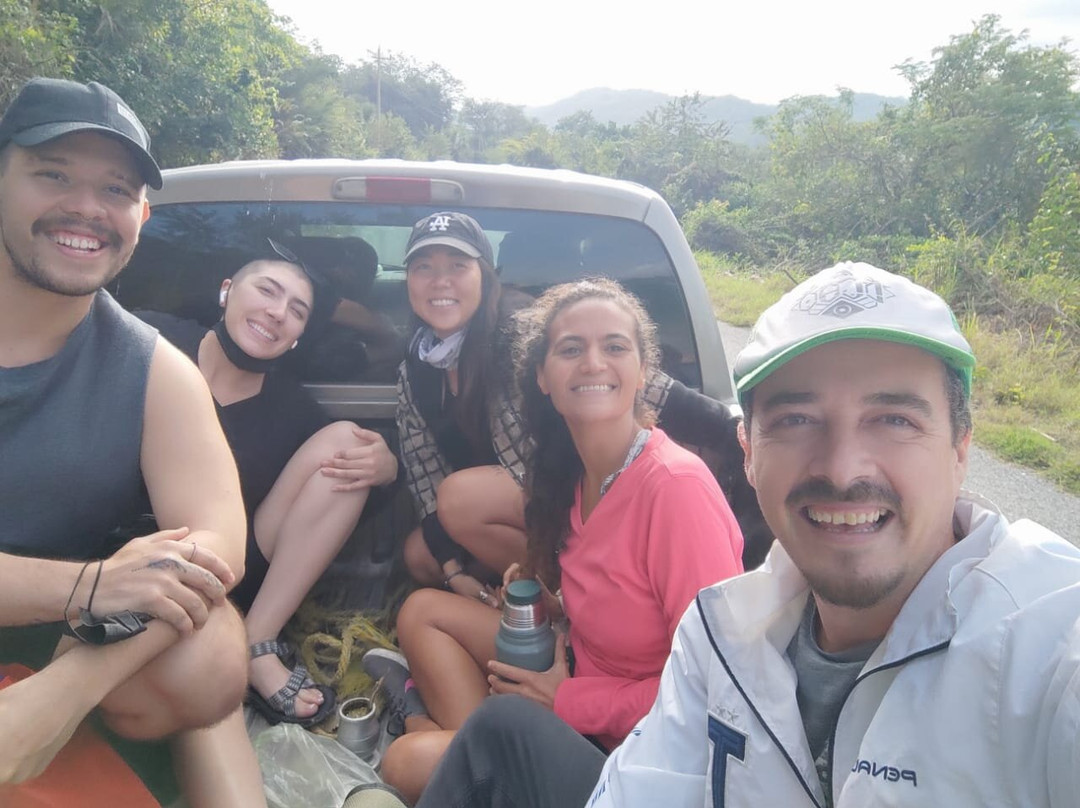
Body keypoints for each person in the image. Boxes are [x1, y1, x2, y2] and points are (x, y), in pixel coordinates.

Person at [413, 261, 1080, 808]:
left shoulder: (1050, 640)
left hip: (594, 702)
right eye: (796, 419)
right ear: (748, 449)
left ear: (962, 447)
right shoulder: (726, 633)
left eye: (894, 419)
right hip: (586, 682)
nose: (843, 469)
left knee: (432, 754)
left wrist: (569, 701)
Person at [374, 278, 745, 802]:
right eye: (571, 348)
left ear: (643, 373)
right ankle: (479, 745)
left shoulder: (675, 490)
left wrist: (567, 702)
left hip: (638, 750)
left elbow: (715, 691)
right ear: (543, 377)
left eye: (615, 346)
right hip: (575, 667)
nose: (593, 362)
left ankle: (440, 732)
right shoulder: (573, 472)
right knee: (421, 611)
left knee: (404, 763)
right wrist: (556, 603)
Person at [0, 77, 266, 805]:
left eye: (116, 190)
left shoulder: (151, 370)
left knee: (209, 648)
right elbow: (99, 587)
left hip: (54, 664)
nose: (87, 209)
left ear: (142, 215)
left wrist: (57, 694)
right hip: (64, 613)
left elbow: (220, 546)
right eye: (53, 174)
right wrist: (87, 584)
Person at [387, 211, 760, 604]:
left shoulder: (522, 332)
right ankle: (517, 605)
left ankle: (574, 601)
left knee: (459, 498)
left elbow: (650, 389)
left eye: (457, 266)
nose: (440, 281)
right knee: (421, 556)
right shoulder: (416, 368)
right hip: (518, 505)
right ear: (408, 281)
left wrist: (742, 435)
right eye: (423, 267)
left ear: (484, 274)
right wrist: (454, 573)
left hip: (570, 488)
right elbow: (422, 473)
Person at [137, 237, 398, 727]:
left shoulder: (292, 410)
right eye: (267, 290)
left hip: (230, 569)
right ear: (226, 291)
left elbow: (348, 497)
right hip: (126, 559)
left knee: (346, 439)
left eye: (298, 310)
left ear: (299, 335)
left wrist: (388, 469)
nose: (278, 313)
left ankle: (256, 642)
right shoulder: (150, 339)